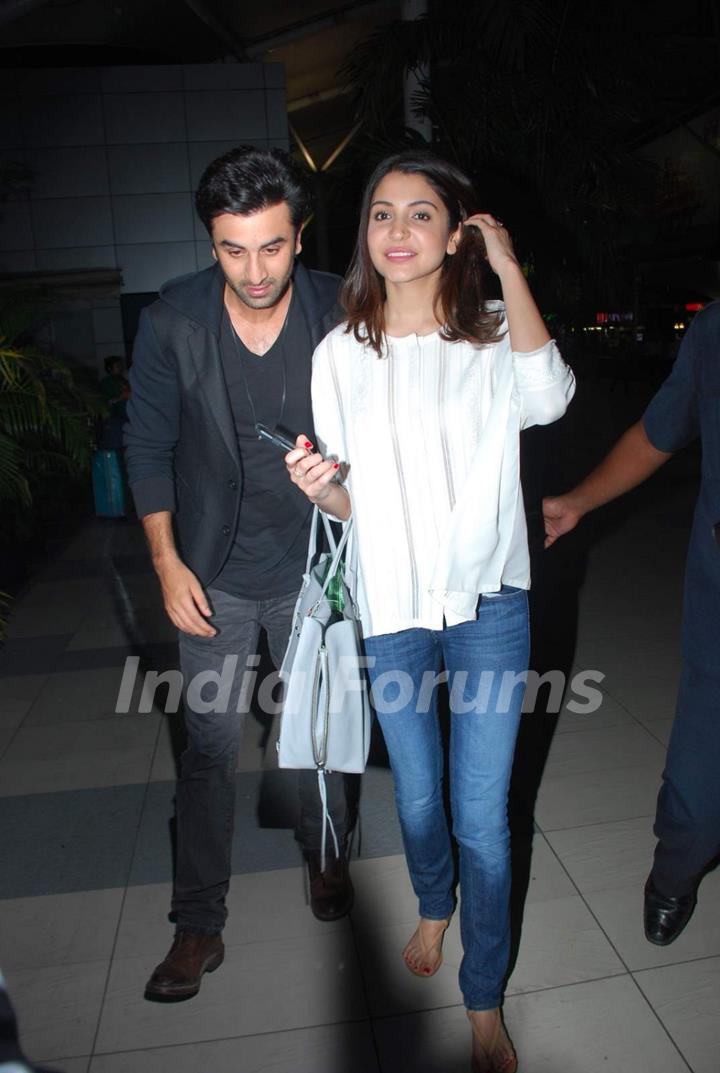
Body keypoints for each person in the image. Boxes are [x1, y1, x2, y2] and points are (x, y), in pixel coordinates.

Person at [285, 152, 575, 1073]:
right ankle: (434, 899)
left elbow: (550, 399)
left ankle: (482, 994)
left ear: (456, 234)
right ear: (365, 235)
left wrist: (511, 267)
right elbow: (350, 502)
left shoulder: (492, 335)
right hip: (395, 607)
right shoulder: (339, 355)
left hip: (490, 603)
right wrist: (321, 490)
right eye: (381, 214)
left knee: (483, 812)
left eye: (421, 214)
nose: (398, 231)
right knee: (416, 796)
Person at [124, 146, 357, 1003]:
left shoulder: (343, 308)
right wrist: (165, 560)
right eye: (232, 249)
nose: (254, 271)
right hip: (212, 571)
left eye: (272, 246)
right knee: (210, 753)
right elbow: (144, 444)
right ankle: (197, 922)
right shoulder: (172, 321)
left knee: (320, 738)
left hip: (313, 567)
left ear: (298, 234)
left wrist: (347, 483)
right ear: (211, 242)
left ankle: (327, 857)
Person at [543, 301, 720, 947]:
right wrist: (576, 501)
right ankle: (674, 874)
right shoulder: (715, 329)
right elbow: (658, 433)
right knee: (700, 798)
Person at [98, 355, 130, 450]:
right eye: (117, 366)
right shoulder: (106, 383)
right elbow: (105, 403)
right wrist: (121, 397)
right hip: (114, 421)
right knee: (117, 448)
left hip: (127, 419)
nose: (120, 368)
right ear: (109, 368)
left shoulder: (123, 381)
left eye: (120, 366)